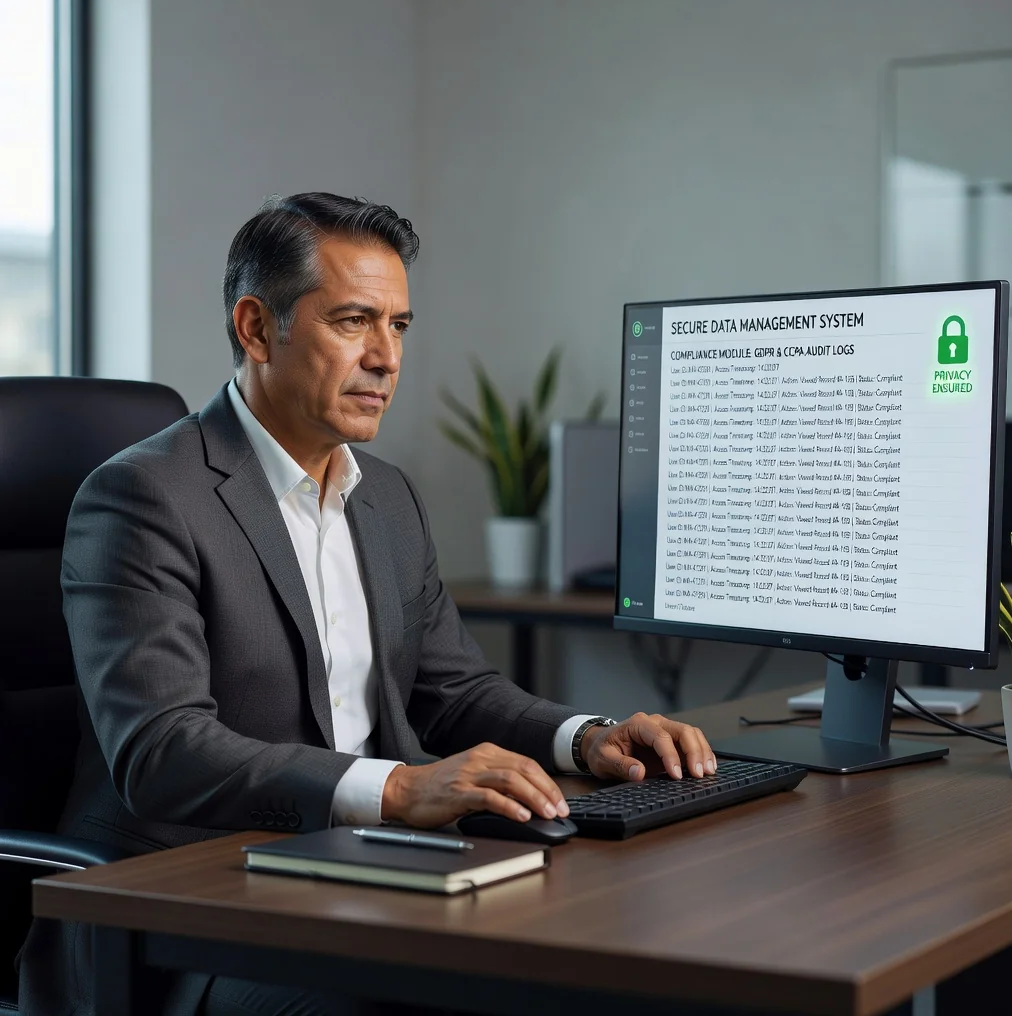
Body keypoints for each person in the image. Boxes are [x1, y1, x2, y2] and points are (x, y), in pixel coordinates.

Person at [18, 194, 716, 1016]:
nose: (386, 357)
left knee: (626, 948)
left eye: (400, 326)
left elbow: (455, 692)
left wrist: (589, 738)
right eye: (353, 321)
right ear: (255, 328)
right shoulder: (143, 497)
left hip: (359, 876)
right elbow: (163, 751)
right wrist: (397, 790)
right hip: (183, 917)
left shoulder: (384, 496)